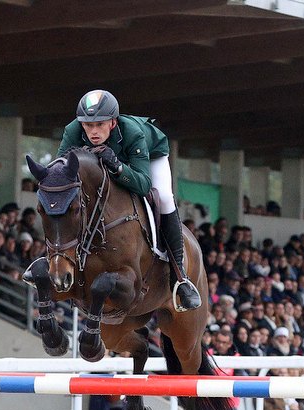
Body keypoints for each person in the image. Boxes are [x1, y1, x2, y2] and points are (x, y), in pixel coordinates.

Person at [57, 89, 201, 311]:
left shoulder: (132, 133)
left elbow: (143, 185)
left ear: (113, 122)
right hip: (113, 162)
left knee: (164, 197)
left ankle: (180, 277)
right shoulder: (72, 131)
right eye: (88, 125)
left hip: (150, 155)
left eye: (100, 124)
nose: (93, 131)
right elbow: (61, 175)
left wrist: (117, 166)